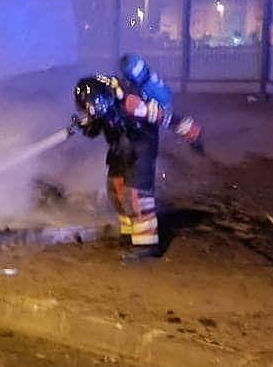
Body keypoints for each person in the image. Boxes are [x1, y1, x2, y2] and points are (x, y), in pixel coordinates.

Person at [70, 73, 203, 262]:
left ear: (101, 98)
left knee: (136, 196)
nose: (91, 111)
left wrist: (192, 132)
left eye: (91, 107)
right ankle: (130, 233)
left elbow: (164, 117)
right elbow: (96, 127)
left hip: (141, 150)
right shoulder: (104, 107)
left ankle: (146, 246)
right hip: (120, 150)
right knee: (116, 190)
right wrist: (84, 125)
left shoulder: (131, 102)